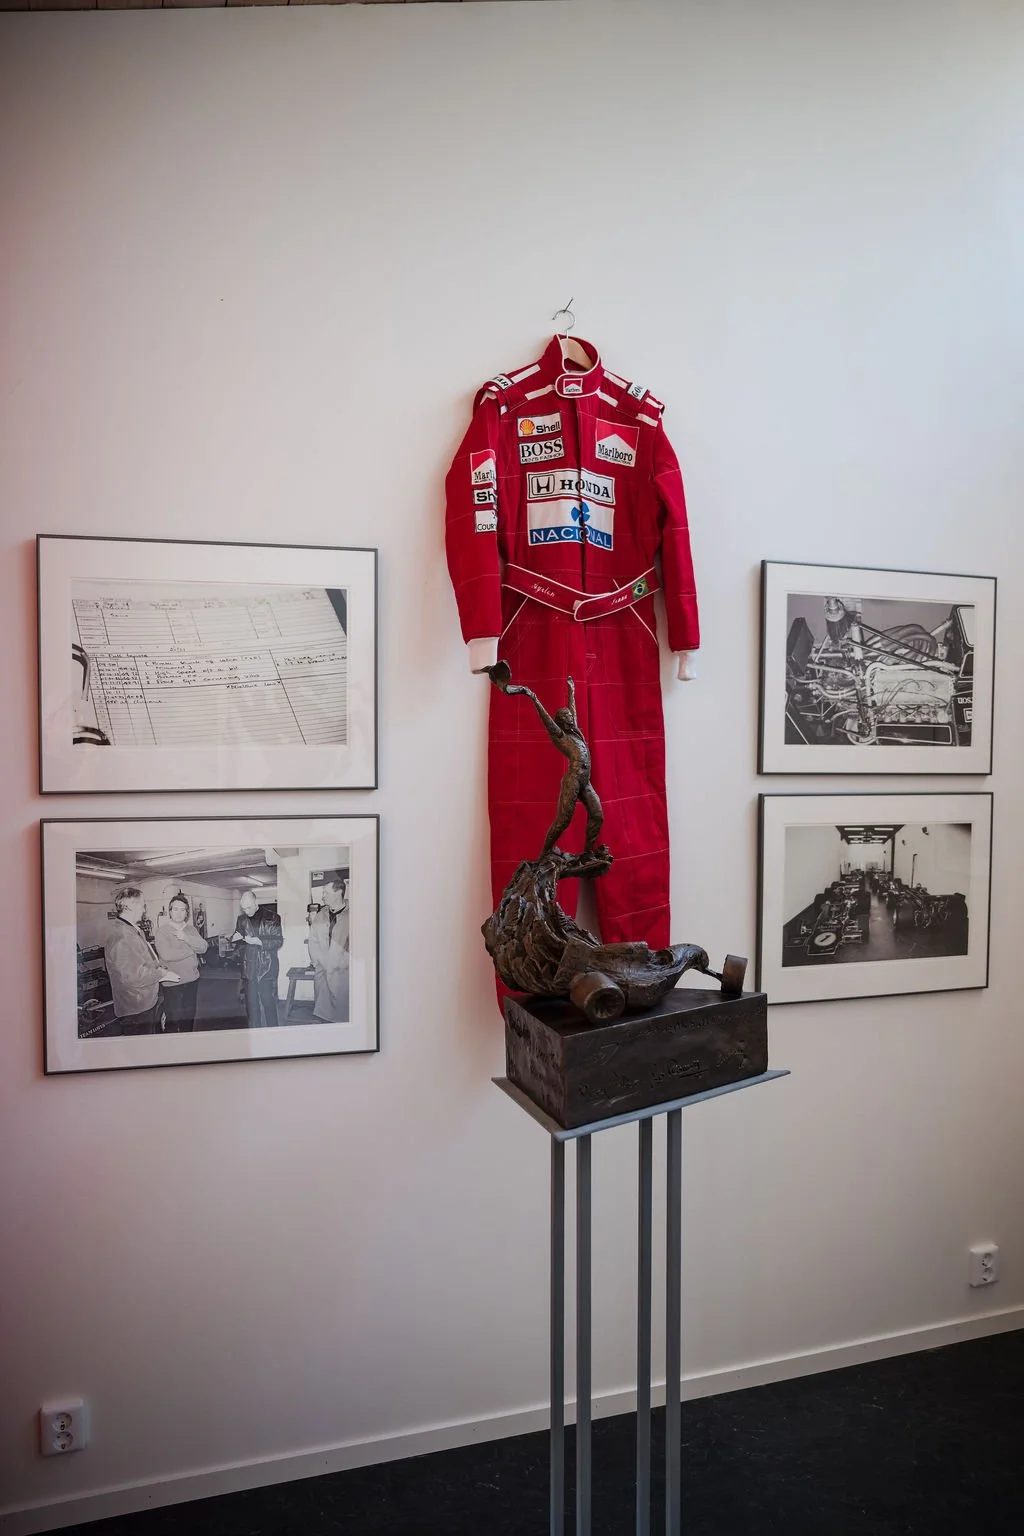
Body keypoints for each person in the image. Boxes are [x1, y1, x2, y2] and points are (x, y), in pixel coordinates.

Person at [104, 887, 180, 1036]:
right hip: (136, 1009)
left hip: (143, 1003)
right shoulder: (123, 937)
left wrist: (158, 966)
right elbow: (134, 976)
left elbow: (141, 960)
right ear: (131, 906)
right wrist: (161, 974)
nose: (144, 909)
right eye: (142, 905)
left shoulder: (132, 931)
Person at [154, 893, 208, 1033]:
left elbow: (203, 947)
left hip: (192, 980)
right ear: (170, 911)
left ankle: (187, 1049)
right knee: (173, 1021)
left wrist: (187, 938)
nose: (178, 913)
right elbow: (167, 955)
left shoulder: (191, 930)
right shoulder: (162, 932)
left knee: (189, 1019)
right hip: (173, 984)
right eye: (175, 909)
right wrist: (191, 950)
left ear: (187, 913)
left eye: (182, 910)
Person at [230, 891, 283, 1029]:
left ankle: (273, 1030)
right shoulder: (241, 919)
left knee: (268, 1002)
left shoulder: (273, 917)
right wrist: (234, 940)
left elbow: (278, 941)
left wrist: (259, 941)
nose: (246, 911)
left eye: (249, 907)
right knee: (252, 1005)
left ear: (256, 903)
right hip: (248, 968)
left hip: (266, 967)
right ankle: (255, 1031)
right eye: (244, 908)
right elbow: (238, 939)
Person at [306, 877, 350, 1022]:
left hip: (343, 972)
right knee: (322, 1014)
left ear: (338, 892)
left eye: (326, 892)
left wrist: (342, 962)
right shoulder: (320, 915)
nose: (323, 895)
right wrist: (319, 960)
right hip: (322, 972)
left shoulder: (353, 915)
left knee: (342, 1016)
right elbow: (313, 941)